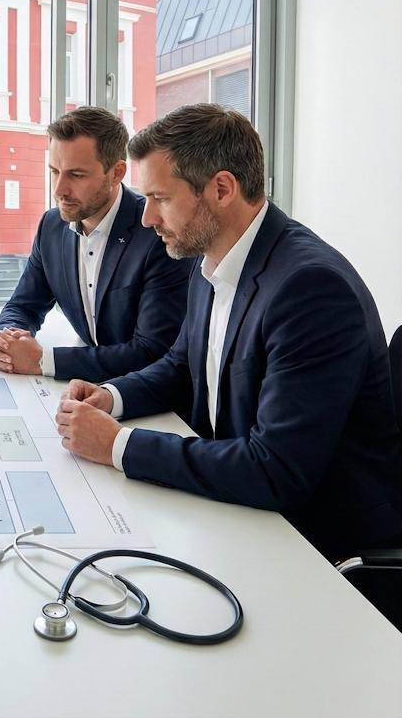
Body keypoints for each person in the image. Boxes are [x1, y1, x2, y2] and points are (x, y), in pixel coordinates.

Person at [56, 103, 402, 560]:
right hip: (236, 513)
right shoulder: (212, 258)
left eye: (159, 198)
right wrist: (111, 396)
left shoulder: (311, 289)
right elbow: (182, 365)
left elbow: (274, 471)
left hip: (317, 545)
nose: (146, 219)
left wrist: (118, 444)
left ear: (221, 188)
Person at [0, 107, 193, 381]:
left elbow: (152, 351)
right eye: (54, 171)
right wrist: (4, 339)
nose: (59, 189)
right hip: (84, 388)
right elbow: (24, 305)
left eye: (76, 175)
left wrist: (43, 361)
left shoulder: (158, 230)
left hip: (147, 396)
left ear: (116, 173)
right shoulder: (52, 226)